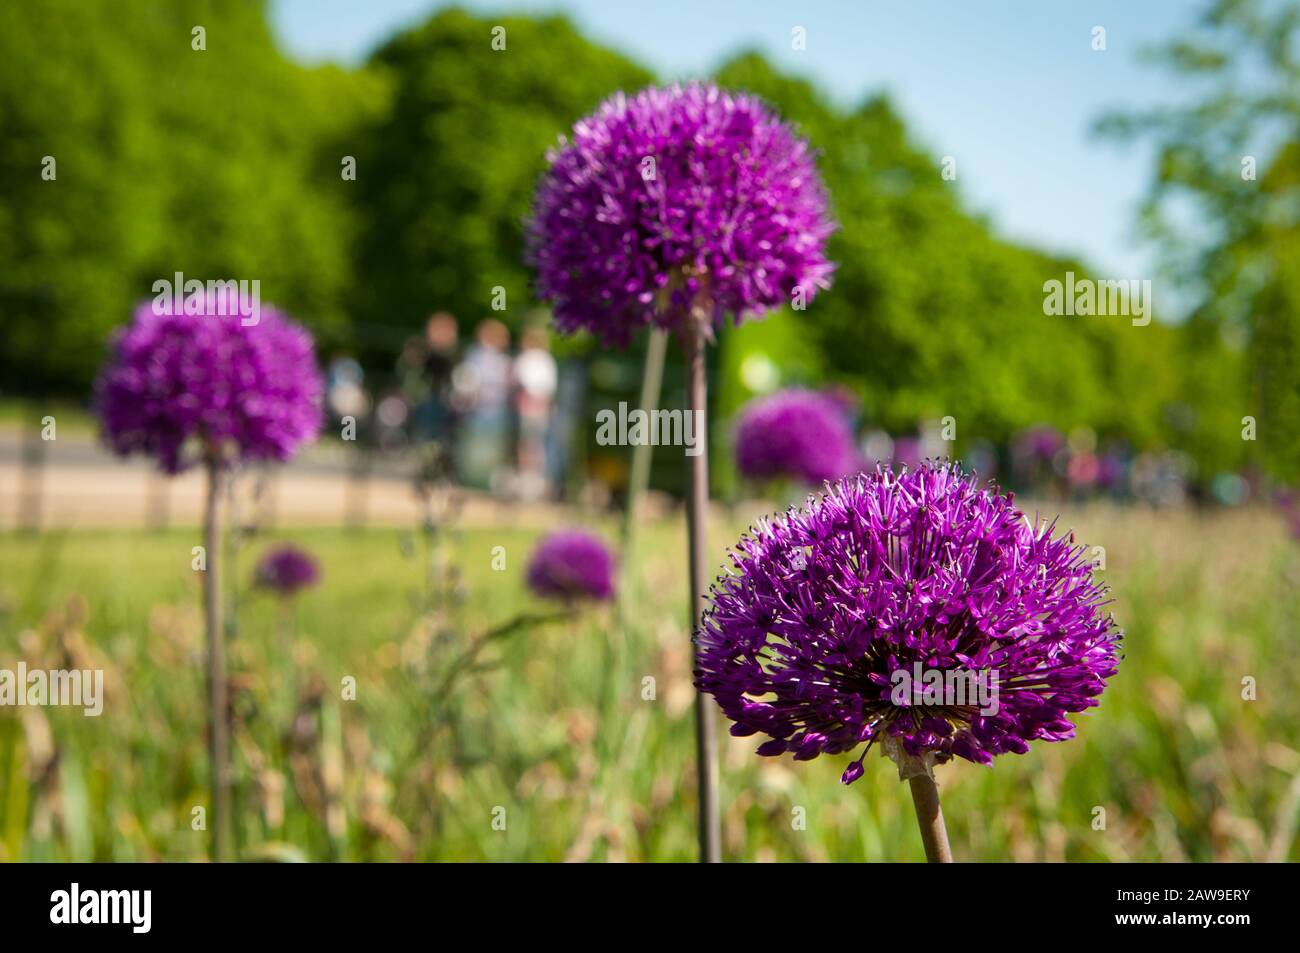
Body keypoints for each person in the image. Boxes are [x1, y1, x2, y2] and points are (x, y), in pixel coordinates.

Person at [513, 326, 558, 500]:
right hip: (541, 407)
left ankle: (528, 482)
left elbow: (520, 380)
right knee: (538, 444)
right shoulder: (547, 360)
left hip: (529, 406)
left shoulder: (527, 358)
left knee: (527, 444)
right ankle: (536, 481)